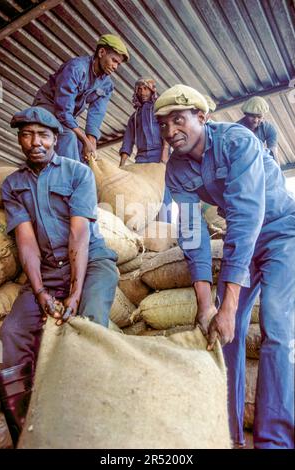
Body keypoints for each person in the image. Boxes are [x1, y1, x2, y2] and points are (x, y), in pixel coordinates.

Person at [154, 84, 295, 449]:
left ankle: (275, 442)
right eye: (163, 125)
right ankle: (227, 435)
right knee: (222, 332)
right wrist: (207, 303)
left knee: (277, 327)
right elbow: (191, 232)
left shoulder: (238, 141)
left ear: (202, 118)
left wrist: (229, 303)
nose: (171, 132)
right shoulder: (176, 170)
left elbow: (248, 215)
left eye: (179, 120)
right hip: (241, 239)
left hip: (281, 233)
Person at [0, 107, 119, 446]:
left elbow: (79, 237)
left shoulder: (78, 174)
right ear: (19, 139)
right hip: (48, 272)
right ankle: (27, 434)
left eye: (42, 135)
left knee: (90, 323)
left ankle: (87, 427)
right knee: (11, 333)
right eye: (26, 134)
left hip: (92, 263)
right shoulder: (14, 184)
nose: (34, 142)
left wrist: (75, 293)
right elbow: (25, 242)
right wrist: (40, 293)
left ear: (55, 139)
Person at [33, 34, 129, 162]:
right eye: (114, 60)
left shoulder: (107, 85)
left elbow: (97, 113)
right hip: (47, 108)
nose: (116, 66)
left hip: (66, 118)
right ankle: (67, 179)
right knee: (69, 137)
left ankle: (81, 179)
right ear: (101, 52)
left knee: (83, 151)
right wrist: (84, 139)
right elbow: (63, 109)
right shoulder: (76, 68)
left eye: (119, 64)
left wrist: (91, 141)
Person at [119, 77, 172, 223]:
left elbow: (167, 129)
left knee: (162, 192)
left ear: (152, 90)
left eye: (146, 88)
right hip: (141, 158)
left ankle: (165, 228)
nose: (142, 92)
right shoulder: (134, 117)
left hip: (159, 154)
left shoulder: (159, 110)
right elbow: (128, 140)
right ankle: (146, 227)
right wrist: (122, 165)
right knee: (142, 191)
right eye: (139, 89)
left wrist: (164, 154)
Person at [237, 96, 278, 160]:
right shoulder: (236, 129)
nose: (255, 120)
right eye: (252, 116)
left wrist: (278, 169)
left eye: (259, 117)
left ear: (263, 116)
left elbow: (273, 154)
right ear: (245, 114)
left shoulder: (269, 129)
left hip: (258, 158)